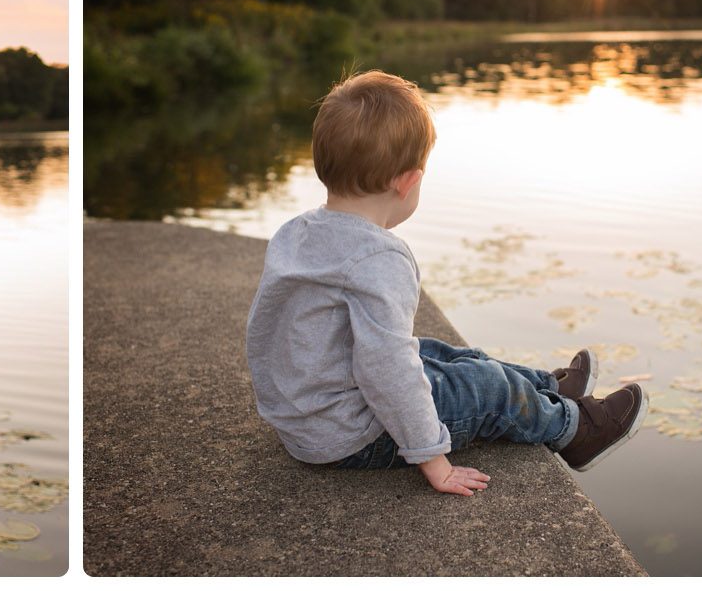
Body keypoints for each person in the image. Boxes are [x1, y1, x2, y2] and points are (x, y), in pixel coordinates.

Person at [244, 71, 646, 491]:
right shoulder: (378, 257)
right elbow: (388, 372)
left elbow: (267, 328)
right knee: (482, 385)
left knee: (436, 353)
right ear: (408, 181)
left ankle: (547, 387)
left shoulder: (296, 231)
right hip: (351, 437)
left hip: (306, 420)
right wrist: (435, 462)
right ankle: (575, 431)